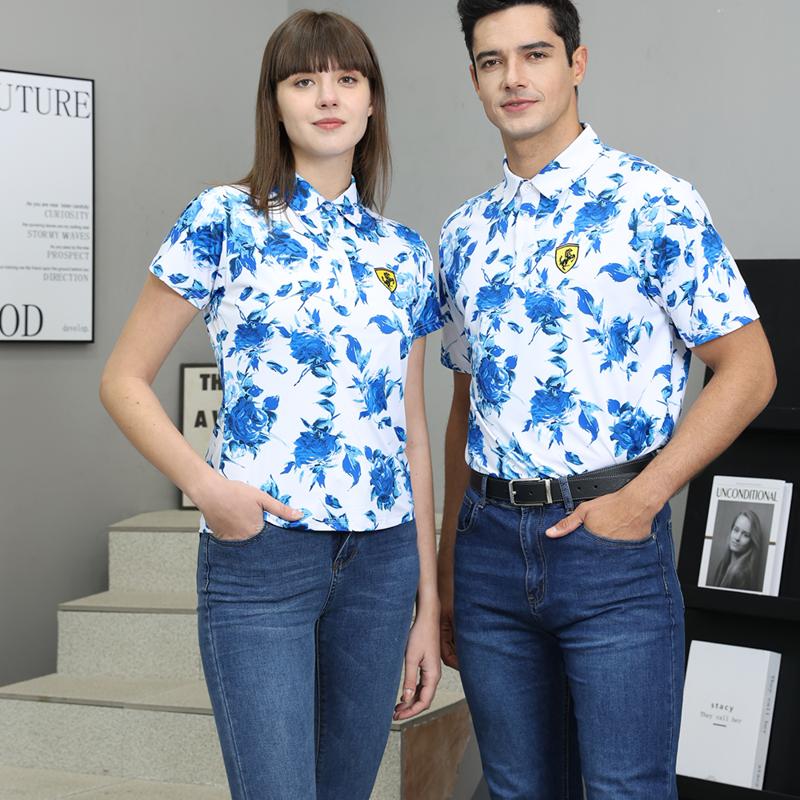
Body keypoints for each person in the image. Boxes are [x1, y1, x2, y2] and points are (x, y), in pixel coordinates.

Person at [436, 1, 777, 798]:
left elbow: (751, 369)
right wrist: (452, 561)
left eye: (535, 54)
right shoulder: (462, 234)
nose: (514, 77)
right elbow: (465, 405)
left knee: (627, 791)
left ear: (576, 63)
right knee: (516, 791)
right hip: (488, 552)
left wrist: (644, 499)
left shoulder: (653, 201)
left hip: (610, 548)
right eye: (492, 61)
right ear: (476, 81)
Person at [100, 10, 443, 799]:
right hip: (262, 556)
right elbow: (122, 378)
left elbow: (414, 434)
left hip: (382, 561)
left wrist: (427, 606)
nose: (328, 96)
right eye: (304, 80)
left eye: (347, 79)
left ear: (372, 102)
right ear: (275, 102)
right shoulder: (223, 218)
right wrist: (208, 489)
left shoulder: (403, 252)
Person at [712, 509, 765, 591]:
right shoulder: (724, 562)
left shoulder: (741, 575)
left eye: (746, 535)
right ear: (731, 530)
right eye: (736, 530)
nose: (737, 538)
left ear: (752, 541)